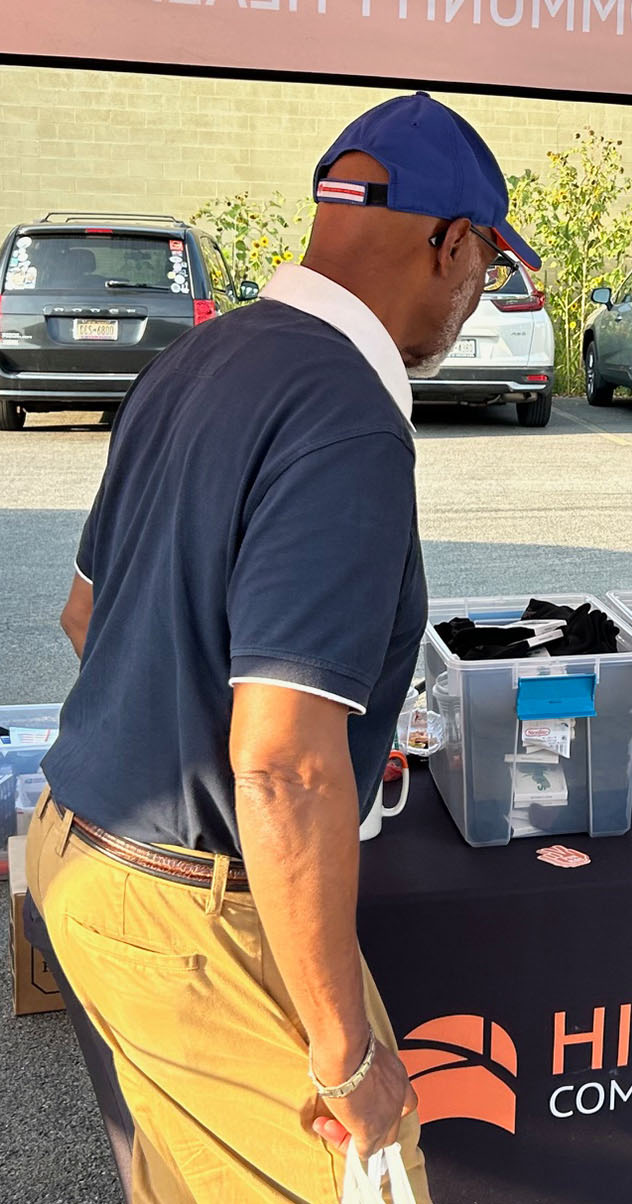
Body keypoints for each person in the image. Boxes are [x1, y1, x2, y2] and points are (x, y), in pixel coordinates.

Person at [28, 93, 539, 1204]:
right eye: (487, 266)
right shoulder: (349, 413)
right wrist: (344, 1056)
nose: (475, 298)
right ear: (448, 240)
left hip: (84, 855)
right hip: (189, 903)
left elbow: (86, 616)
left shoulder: (199, 358)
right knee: (367, 1170)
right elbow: (283, 761)